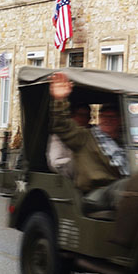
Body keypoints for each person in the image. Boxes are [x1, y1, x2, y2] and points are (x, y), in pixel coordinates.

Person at [48, 71, 129, 209]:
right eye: (104, 116)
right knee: (129, 187)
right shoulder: (86, 137)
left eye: (113, 117)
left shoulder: (126, 142)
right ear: (100, 118)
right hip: (95, 192)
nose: (108, 120)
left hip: (118, 192)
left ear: (121, 121)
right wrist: (60, 100)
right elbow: (61, 125)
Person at [46, 102, 91, 178]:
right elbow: (56, 163)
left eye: (87, 116)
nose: (85, 119)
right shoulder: (60, 136)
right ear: (72, 117)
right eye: (81, 115)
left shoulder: (93, 133)